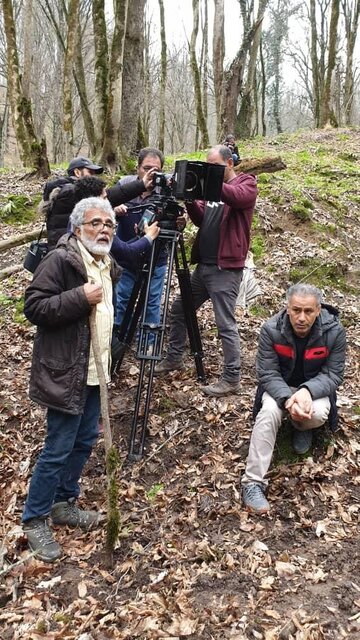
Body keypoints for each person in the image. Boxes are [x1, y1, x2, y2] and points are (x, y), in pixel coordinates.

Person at [22, 197, 120, 562]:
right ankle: (34, 518)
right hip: (66, 372)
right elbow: (34, 306)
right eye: (96, 223)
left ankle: (64, 502)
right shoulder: (62, 260)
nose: (104, 229)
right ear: (78, 228)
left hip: (96, 371)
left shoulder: (107, 262)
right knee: (58, 446)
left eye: (108, 224)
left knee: (83, 442)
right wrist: (80, 296)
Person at [155, 145, 258, 397]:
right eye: (207, 166)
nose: (210, 171)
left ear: (230, 163)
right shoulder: (211, 191)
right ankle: (174, 357)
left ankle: (232, 377)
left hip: (226, 268)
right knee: (180, 308)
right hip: (204, 266)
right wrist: (190, 199)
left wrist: (206, 182)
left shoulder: (246, 183)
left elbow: (236, 198)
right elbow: (201, 219)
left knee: (225, 323)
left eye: (215, 167)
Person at [241, 284, 346, 514]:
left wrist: (307, 392)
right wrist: (290, 399)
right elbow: (267, 373)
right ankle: (252, 482)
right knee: (268, 412)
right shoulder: (271, 329)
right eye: (296, 310)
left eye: (308, 311)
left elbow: (334, 374)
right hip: (281, 388)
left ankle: (301, 426)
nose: (301, 317)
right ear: (287, 308)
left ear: (318, 310)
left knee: (317, 414)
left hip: (315, 390)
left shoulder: (334, 332)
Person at [43, 156, 157, 251]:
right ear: (77, 172)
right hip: (66, 253)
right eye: (90, 172)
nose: (94, 177)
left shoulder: (68, 191)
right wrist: (141, 185)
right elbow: (111, 195)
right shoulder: (68, 192)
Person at [114, 147, 168, 343]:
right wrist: (114, 210)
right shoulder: (125, 186)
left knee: (152, 303)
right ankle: (120, 340)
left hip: (156, 257)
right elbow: (103, 211)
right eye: (147, 168)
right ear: (137, 168)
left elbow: (176, 222)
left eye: (157, 169)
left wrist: (180, 222)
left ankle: (148, 343)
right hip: (126, 255)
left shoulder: (166, 190)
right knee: (123, 300)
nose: (152, 173)